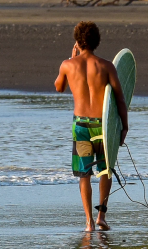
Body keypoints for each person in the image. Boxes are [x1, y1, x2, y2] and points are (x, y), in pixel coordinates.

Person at [54, 22, 128, 232]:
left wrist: (70, 60)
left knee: (84, 174)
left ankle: (88, 222)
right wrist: (124, 127)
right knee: (105, 171)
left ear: (77, 42)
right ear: (97, 42)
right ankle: (101, 217)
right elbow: (120, 99)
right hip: (102, 127)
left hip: (81, 127)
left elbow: (59, 88)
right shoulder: (106, 66)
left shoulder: (68, 65)